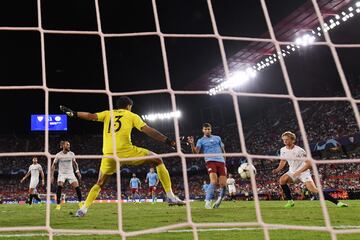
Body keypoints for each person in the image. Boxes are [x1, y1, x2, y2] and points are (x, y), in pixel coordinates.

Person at [60, 96, 184, 217]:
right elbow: (148, 130)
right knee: (158, 160)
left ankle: (83, 209)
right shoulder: (131, 115)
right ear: (129, 106)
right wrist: (169, 141)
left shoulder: (108, 113)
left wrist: (74, 113)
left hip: (108, 154)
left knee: (100, 182)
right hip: (126, 151)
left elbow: (90, 116)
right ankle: (170, 196)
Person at [272, 131, 348, 208]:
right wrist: (278, 169)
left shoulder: (299, 150)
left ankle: (338, 203)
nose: (285, 141)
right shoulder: (282, 150)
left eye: (287, 139)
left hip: (303, 172)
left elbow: (309, 164)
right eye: (284, 139)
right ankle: (290, 201)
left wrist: (298, 172)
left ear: (293, 140)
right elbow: (283, 160)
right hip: (292, 171)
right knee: (282, 180)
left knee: (314, 190)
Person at [188, 123, 227, 209]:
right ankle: (208, 201)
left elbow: (223, 151)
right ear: (203, 130)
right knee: (213, 181)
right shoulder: (200, 140)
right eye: (205, 129)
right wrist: (192, 144)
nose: (207, 131)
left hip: (221, 162)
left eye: (208, 129)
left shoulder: (218, 138)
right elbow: (196, 153)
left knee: (224, 185)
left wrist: (225, 164)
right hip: (210, 161)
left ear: (211, 130)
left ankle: (218, 201)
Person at [51, 140, 83, 210]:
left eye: (69, 145)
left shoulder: (71, 154)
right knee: (59, 186)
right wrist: (52, 176)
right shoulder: (58, 155)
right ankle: (58, 204)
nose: (69, 146)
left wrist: (77, 171)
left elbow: (75, 163)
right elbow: (53, 165)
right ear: (63, 146)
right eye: (67, 145)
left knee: (77, 187)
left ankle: (80, 203)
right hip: (62, 174)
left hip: (70, 173)